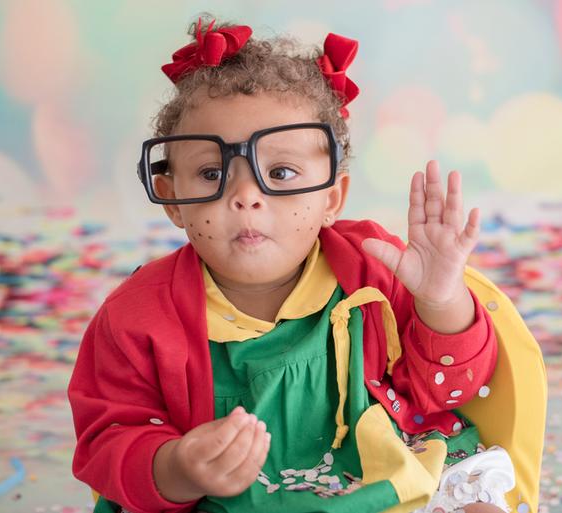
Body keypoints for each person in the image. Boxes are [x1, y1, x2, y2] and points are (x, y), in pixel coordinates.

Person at [68, 15, 517, 513]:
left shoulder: (370, 269)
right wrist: (177, 467)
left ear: (332, 197)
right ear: (172, 198)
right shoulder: (137, 316)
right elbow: (107, 440)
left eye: (280, 171)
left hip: (379, 471)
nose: (245, 196)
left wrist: (441, 301)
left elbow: (450, 391)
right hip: (224, 500)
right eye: (212, 172)